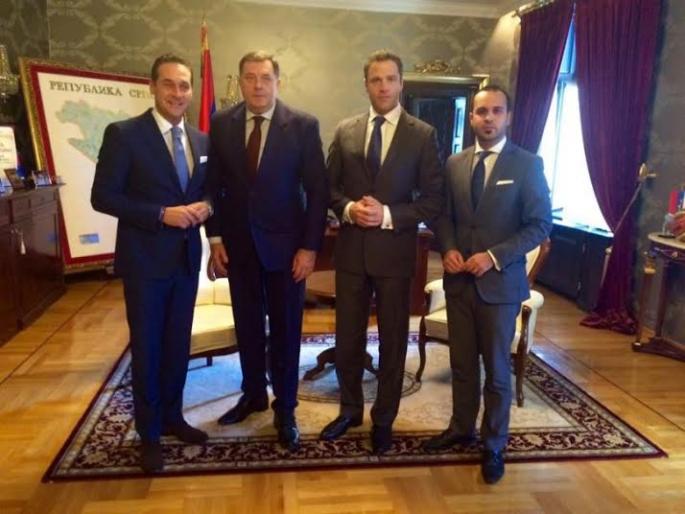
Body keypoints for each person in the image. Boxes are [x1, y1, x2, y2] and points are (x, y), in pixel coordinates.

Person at [423, 85, 552, 484]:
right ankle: (461, 427)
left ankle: (493, 443)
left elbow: (539, 225)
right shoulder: (454, 163)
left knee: (496, 370)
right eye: (482, 112)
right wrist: (447, 248)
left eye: (497, 111)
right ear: (472, 118)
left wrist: (493, 256)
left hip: (500, 286)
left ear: (508, 116)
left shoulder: (527, 165)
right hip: (459, 283)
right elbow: (443, 216)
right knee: (462, 365)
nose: (489, 118)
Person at [91, 54, 211, 473]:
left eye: (184, 85)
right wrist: (161, 214)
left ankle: (174, 417)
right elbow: (103, 197)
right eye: (169, 84)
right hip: (144, 263)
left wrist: (207, 206)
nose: (177, 93)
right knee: (147, 348)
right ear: (152, 87)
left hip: (185, 261)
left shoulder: (201, 140)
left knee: (177, 345)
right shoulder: (124, 134)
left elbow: (209, 191)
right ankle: (150, 435)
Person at [319, 50, 443, 455]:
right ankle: (350, 410)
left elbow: (433, 200)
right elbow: (328, 188)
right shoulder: (345, 130)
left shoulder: (422, 135)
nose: (383, 86)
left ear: (401, 83)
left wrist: (387, 214)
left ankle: (384, 419)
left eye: (390, 79)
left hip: (395, 254)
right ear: (366, 85)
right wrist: (349, 209)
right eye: (376, 79)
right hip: (351, 253)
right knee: (347, 338)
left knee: (393, 341)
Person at [205, 51, 328, 452]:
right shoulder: (221, 123)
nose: (258, 85)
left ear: (278, 82)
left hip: (287, 250)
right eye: (250, 77)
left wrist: (309, 247)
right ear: (240, 81)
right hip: (238, 248)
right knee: (248, 326)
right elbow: (213, 184)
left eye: (265, 77)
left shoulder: (303, 125)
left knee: (287, 331)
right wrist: (215, 239)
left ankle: (285, 408)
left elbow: (318, 190)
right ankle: (254, 393)